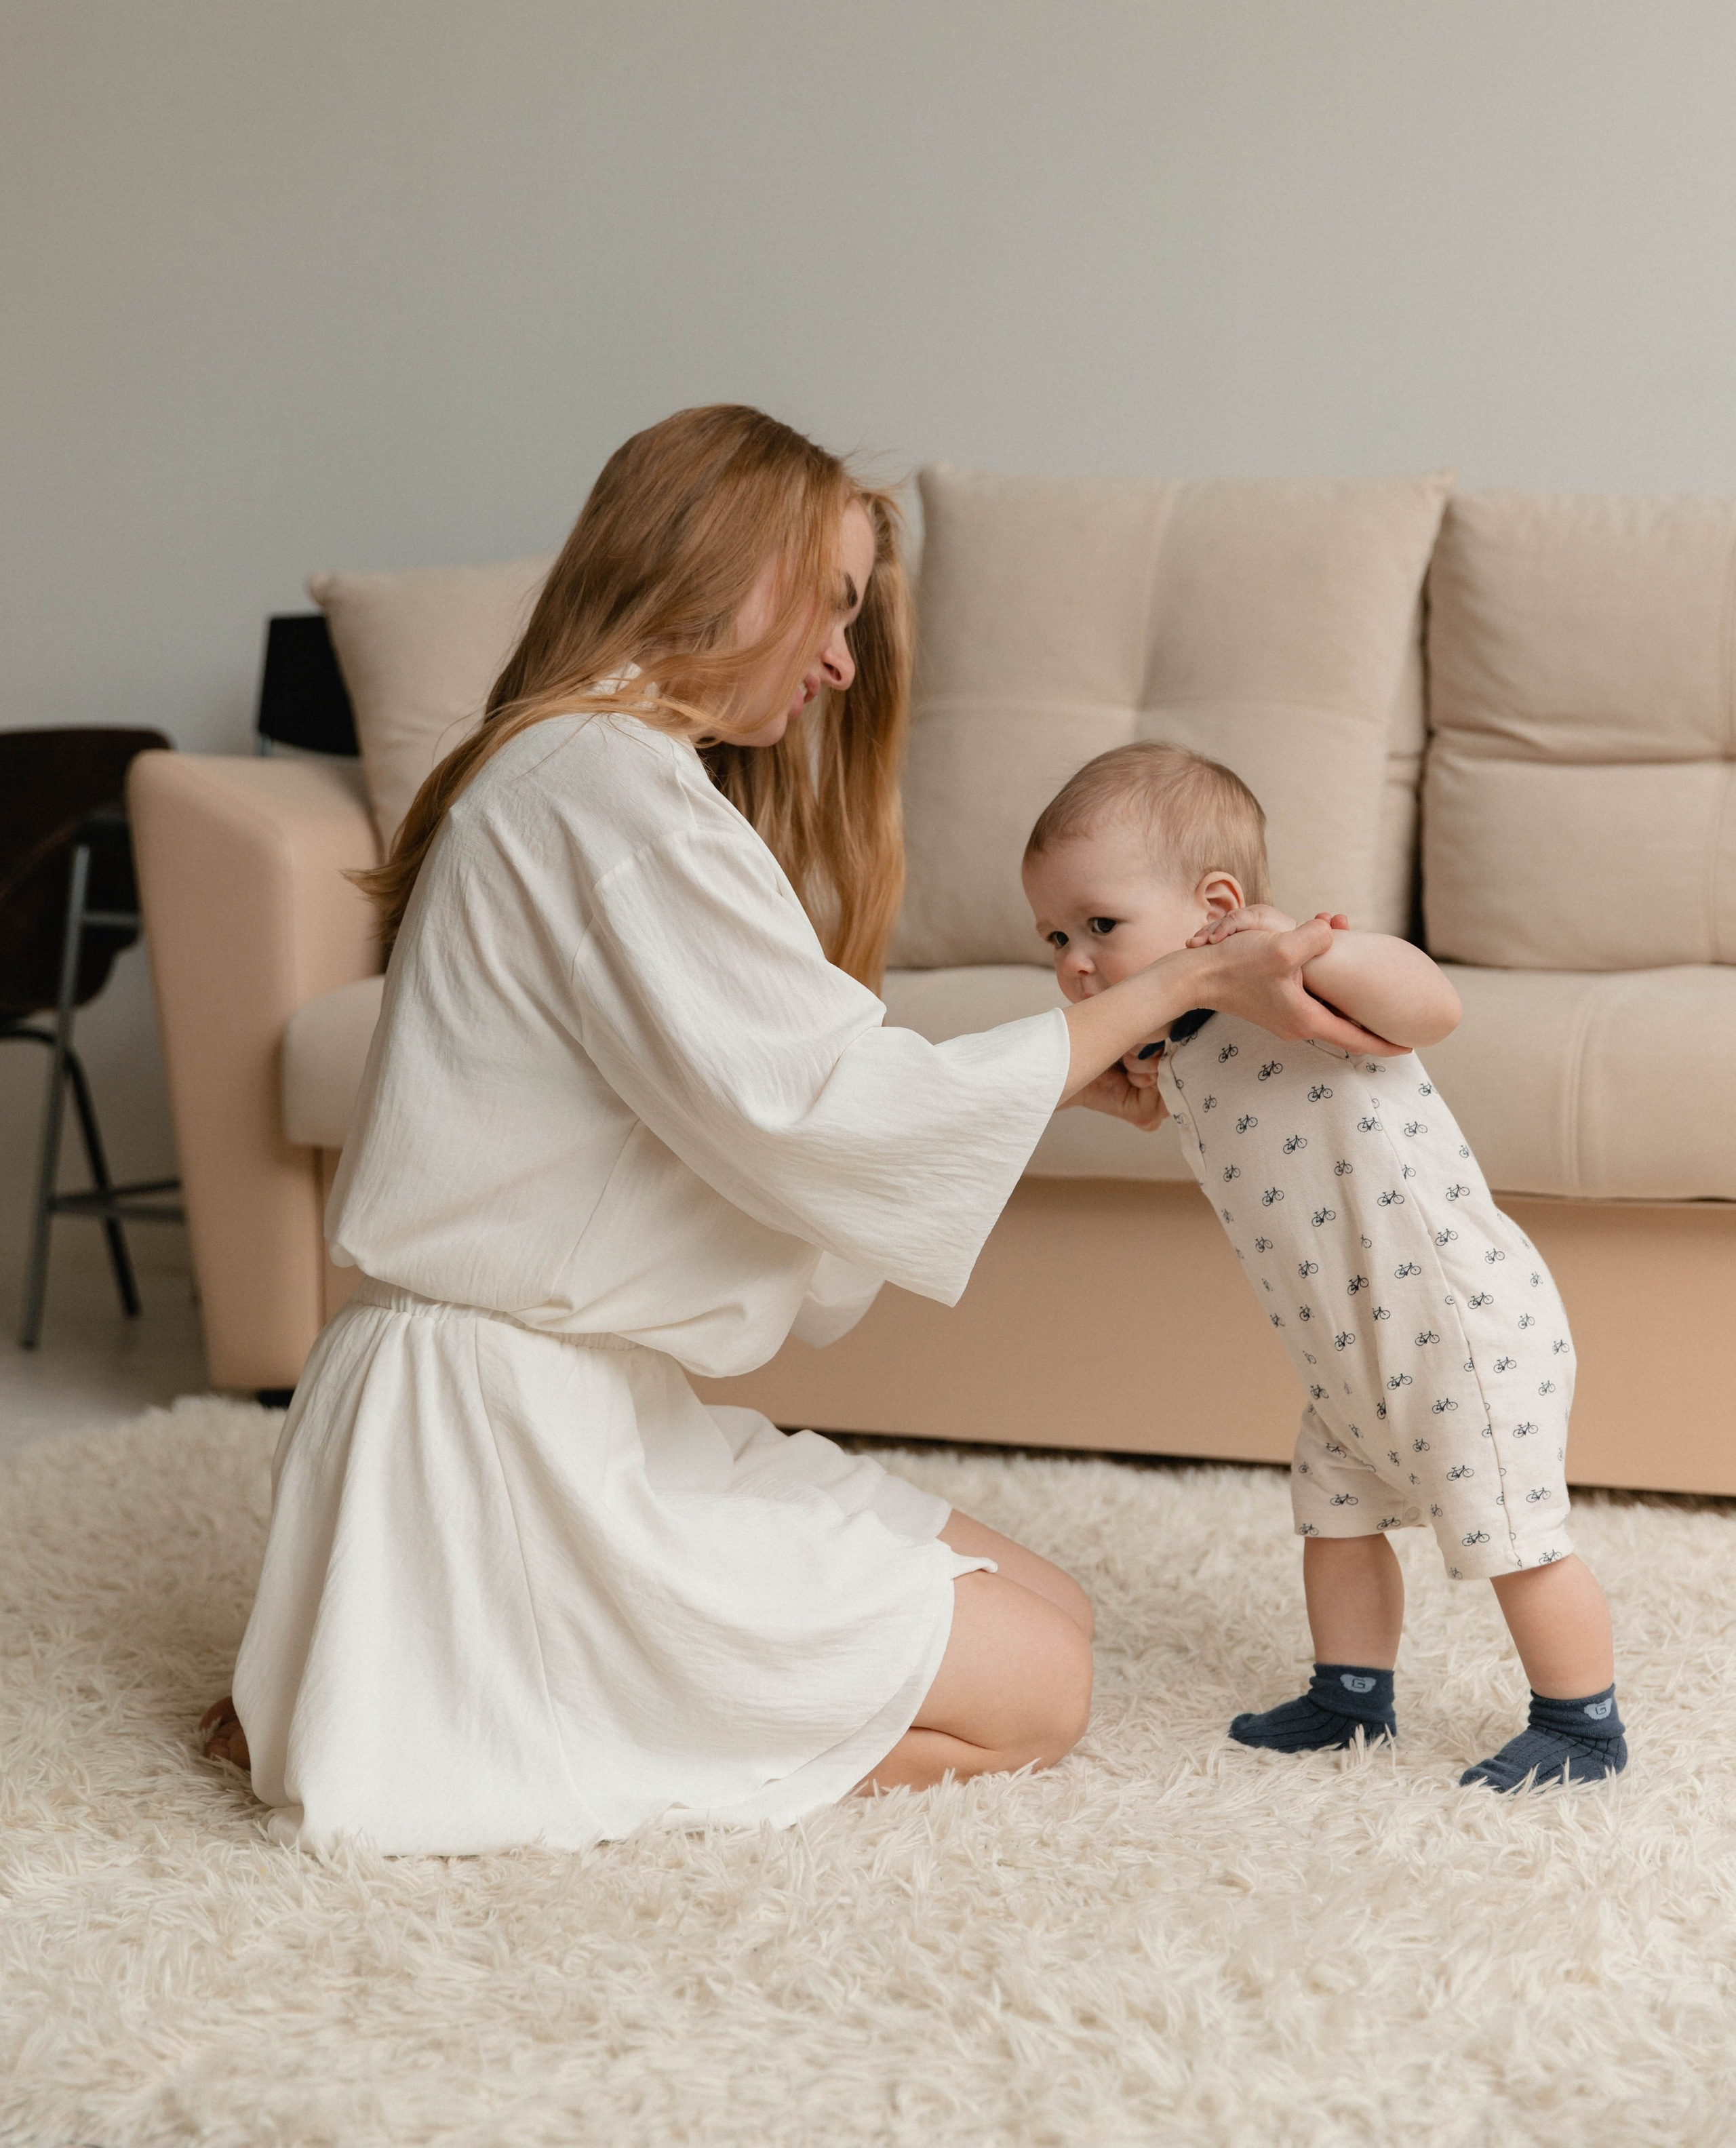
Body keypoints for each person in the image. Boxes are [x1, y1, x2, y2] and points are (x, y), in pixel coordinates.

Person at [203, 407, 1383, 1855]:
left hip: (570, 1408)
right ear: (731, 567)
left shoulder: (589, 779)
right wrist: (1186, 981)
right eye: (829, 603)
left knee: (1052, 1620)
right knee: (1044, 1696)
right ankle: (491, 1713)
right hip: (501, 1445)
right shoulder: (609, 795)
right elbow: (828, 1113)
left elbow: (761, 1099)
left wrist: (1052, 1074)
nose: (838, 659)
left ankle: (434, 1678)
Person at [1021, 740, 1627, 1793]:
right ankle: (1351, 1697)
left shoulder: (1295, 977)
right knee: (1334, 1517)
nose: (1076, 960)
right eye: (1057, 938)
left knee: (1511, 1530)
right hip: (1347, 1349)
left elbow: (1432, 1006)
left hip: (1457, 1323)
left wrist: (1312, 952)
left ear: (1217, 906)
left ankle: (1582, 1723)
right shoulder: (1176, 1042)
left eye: (1101, 926)